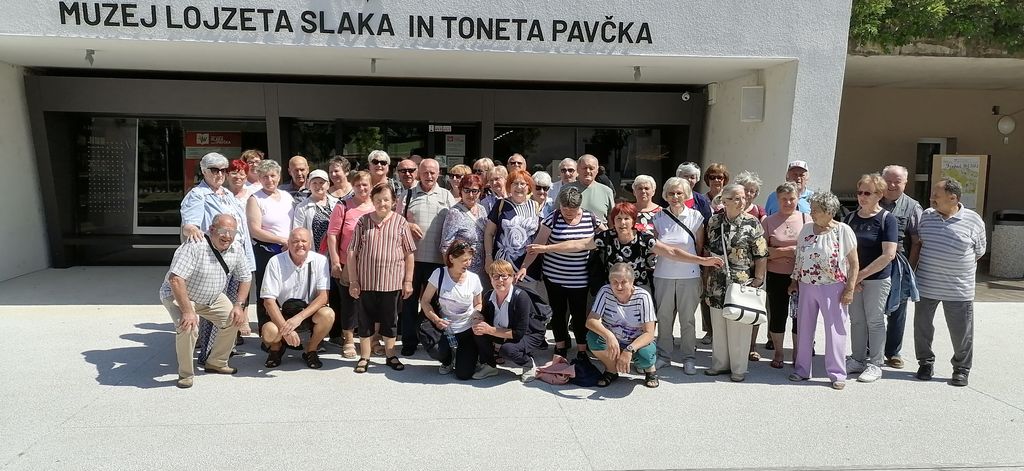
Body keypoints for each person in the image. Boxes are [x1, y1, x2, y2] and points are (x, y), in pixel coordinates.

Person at [159, 214, 252, 389]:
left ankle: (216, 362)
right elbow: (176, 280)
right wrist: (188, 311)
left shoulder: (236, 248)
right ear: (211, 230)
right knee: (188, 327)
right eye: (223, 231)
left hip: (212, 296)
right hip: (180, 296)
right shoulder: (195, 245)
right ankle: (186, 374)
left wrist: (239, 305)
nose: (228, 236)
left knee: (234, 319)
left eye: (232, 232)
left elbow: (246, 277)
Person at [180, 152, 255, 365]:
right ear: (204, 171)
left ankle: (222, 351)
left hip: (234, 257)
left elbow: (241, 229)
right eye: (215, 170)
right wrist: (192, 230)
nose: (220, 174)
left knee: (229, 307)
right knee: (216, 310)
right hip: (216, 260)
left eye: (223, 170)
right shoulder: (198, 195)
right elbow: (190, 225)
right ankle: (210, 356)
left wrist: (247, 258)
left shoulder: (227, 194)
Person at [911, 178, 986, 387]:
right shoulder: (927, 216)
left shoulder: (974, 220)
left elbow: (979, 251)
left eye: (936, 195)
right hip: (927, 285)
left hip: (958, 289)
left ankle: (961, 369)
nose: (931, 198)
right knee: (922, 328)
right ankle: (925, 363)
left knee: (961, 332)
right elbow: (921, 243)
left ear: (953, 198)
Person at [788, 191, 859, 390]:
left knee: (835, 330)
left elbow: (854, 263)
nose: (812, 213)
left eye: (816, 210)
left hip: (833, 286)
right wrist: (794, 281)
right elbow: (799, 257)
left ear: (829, 211)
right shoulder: (806, 229)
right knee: (804, 328)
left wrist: (850, 288)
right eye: (811, 209)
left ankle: (837, 374)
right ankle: (802, 369)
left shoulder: (843, 230)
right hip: (806, 285)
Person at [520, 186, 598, 359]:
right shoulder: (552, 218)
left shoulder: (590, 218)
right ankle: (561, 345)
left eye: (572, 210)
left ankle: (582, 349)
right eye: (564, 209)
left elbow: (604, 237)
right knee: (558, 313)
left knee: (579, 315)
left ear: (580, 206)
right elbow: (537, 246)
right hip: (554, 277)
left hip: (580, 279)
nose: (568, 213)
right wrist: (524, 266)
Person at [348, 182, 416, 373]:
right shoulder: (363, 221)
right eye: (378, 200)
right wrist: (353, 281)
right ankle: (365, 356)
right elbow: (352, 252)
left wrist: (408, 281)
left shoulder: (400, 222)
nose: (382, 203)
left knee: (390, 321)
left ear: (393, 201)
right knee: (365, 321)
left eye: (386, 200)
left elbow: (409, 253)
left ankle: (390, 355)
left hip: (391, 283)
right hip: (366, 282)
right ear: (372, 201)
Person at [703, 183, 768, 382]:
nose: (742, 201)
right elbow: (708, 248)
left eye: (743, 198)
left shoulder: (752, 222)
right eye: (737, 198)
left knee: (739, 325)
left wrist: (759, 279)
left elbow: (761, 253)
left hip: (741, 282)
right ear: (725, 201)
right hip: (717, 281)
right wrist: (706, 277)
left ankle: (738, 368)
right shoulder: (714, 221)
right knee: (719, 325)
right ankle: (719, 364)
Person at [397, 158, 456, 356]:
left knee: (435, 304)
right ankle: (409, 342)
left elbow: (454, 223)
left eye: (432, 172)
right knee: (409, 302)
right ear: (418, 173)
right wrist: (407, 224)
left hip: (438, 261)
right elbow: (395, 221)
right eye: (425, 172)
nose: (429, 176)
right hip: (412, 260)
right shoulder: (407, 195)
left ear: (438, 174)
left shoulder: (446, 196)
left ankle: (432, 340)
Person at [651, 178, 709, 374]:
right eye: (671, 193)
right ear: (665, 195)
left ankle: (688, 357)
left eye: (679, 193)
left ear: (686, 195)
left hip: (689, 275)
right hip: (663, 274)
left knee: (688, 319)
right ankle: (663, 356)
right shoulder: (658, 217)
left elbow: (699, 246)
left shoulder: (695, 217)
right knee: (664, 317)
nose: (675, 197)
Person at [844, 173, 898, 383]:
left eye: (868, 193)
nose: (862, 197)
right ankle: (857, 359)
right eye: (860, 192)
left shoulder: (887, 219)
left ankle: (875, 364)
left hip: (877, 279)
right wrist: (851, 278)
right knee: (856, 320)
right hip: (854, 280)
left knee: (874, 321)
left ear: (879, 195)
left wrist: (860, 276)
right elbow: (842, 250)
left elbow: (888, 255)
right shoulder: (850, 218)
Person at [260, 228, 335, 369]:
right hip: (283, 312)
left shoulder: (320, 260)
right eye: (295, 241)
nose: (300, 244)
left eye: (304, 241)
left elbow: (323, 297)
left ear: (310, 244)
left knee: (328, 314)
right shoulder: (275, 261)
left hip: (307, 312)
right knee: (269, 332)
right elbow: (268, 301)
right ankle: (276, 349)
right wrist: (286, 329)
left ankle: (311, 350)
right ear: (288, 243)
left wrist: (299, 318)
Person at [326, 171, 376, 357]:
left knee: (371, 302)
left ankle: (371, 339)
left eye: (365, 184)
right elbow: (332, 235)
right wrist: (335, 261)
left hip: (372, 264)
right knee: (349, 302)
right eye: (358, 185)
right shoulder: (343, 206)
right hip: (348, 262)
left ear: (371, 186)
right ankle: (348, 340)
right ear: (352, 187)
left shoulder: (377, 205)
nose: (362, 188)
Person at [760, 182, 810, 368]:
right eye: (784, 199)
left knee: (800, 316)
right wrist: (790, 250)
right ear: (778, 200)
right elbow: (763, 251)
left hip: (802, 276)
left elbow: (810, 249)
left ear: (798, 199)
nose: (788, 202)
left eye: (791, 199)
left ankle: (797, 352)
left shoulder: (806, 219)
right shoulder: (768, 221)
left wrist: (779, 251)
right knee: (778, 314)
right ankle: (779, 351)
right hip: (776, 274)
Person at [586, 263, 659, 388]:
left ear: (632, 282)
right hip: (614, 339)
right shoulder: (605, 291)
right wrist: (609, 336)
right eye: (614, 282)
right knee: (592, 338)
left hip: (636, 342)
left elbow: (649, 333)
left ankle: (650, 369)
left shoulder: (643, 296)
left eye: (623, 282)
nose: (619, 286)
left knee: (645, 356)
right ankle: (611, 370)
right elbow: (591, 321)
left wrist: (629, 350)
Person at [420, 241, 485, 380]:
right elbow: (425, 301)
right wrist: (435, 319)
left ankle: (467, 356)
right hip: (445, 328)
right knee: (437, 351)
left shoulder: (474, 278)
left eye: (470, 260)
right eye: (464, 260)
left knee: (463, 374)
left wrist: (476, 315)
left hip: (466, 328)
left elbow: (479, 303)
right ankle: (447, 360)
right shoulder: (439, 274)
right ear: (451, 258)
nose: (468, 264)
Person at [879, 164, 923, 369]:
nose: (892, 185)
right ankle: (870, 348)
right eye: (888, 180)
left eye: (897, 181)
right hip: (874, 264)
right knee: (872, 309)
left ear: (905, 183)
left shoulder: (913, 207)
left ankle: (893, 352)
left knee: (898, 310)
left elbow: (917, 241)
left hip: (899, 266)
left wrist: (910, 269)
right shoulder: (872, 200)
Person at [471, 260, 544, 382]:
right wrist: (477, 317)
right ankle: (489, 365)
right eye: (495, 276)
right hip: (503, 330)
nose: (500, 280)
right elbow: (485, 318)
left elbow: (519, 333)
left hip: (529, 333)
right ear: (490, 279)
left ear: (512, 277)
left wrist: (490, 330)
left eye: (504, 276)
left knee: (508, 350)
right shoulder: (488, 296)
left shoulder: (521, 297)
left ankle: (528, 364)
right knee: (479, 331)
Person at [246, 159, 295, 337]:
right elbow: (255, 230)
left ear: (279, 176)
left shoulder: (287, 196)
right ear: (259, 178)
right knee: (267, 291)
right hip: (267, 251)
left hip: (289, 250)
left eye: (273, 175)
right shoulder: (255, 199)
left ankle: (287, 329)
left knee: (286, 289)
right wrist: (282, 240)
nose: (269, 180)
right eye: (265, 176)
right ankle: (268, 333)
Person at [676, 161, 714, 345]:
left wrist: (702, 255)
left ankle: (704, 332)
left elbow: (708, 226)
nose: (689, 180)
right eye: (686, 176)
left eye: (693, 177)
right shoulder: (670, 195)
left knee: (697, 296)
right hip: (673, 256)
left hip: (696, 255)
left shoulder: (701, 201)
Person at [484, 170, 541, 292]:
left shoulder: (535, 206)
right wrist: (488, 257)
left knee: (526, 299)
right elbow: (489, 233)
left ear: (528, 187)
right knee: (503, 296)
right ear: (509, 186)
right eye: (515, 183)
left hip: (528, 266)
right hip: (503, 263)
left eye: (523, 184)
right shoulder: (501, 205)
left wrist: (526, 266)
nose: (519, 187)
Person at [441, 174, 488, 287]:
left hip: (482, 270)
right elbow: (445, 246)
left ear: (480, 192)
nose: (470, 195)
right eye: (466, 190)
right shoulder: (455, 213)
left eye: (474, 191)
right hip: (462, 271)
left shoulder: (482, 210)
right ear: (461, 191)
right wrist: (452, 273)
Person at [292, 169, 340, 254]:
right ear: (308, 185)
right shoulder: (302, 207)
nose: (318, 186)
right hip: (315, 253)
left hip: (336, 251)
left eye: (321, 182)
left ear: (328, 185)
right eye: (314, 183)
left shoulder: (337, 203)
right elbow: (298, 232)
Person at [570, 154, 614, 224]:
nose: (588, 171)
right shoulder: (566, 189)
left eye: (591, 168)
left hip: (600, 230)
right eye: (584, 168)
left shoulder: (607, 191)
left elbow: (612, 218)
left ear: (597, 170)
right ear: (577, 169)